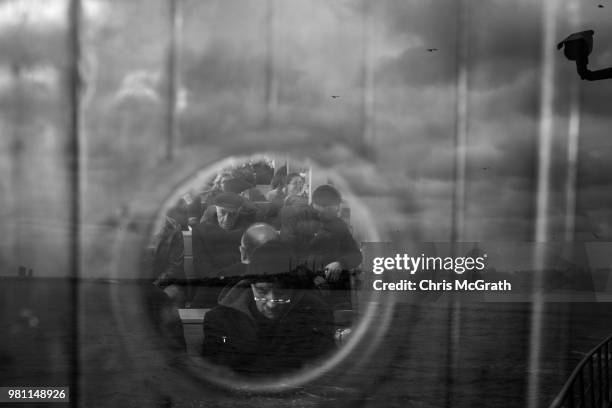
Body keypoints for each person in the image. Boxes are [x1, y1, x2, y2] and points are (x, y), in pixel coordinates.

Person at [201, 241, 335, 375]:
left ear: (293, 289)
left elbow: (323, 371)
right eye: (262, 291)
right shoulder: (221, 320)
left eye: (281, 292)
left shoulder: (316, 315)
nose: (272, 303)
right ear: (250, 285)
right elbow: (214, 375)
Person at [152, 205, 187, 306]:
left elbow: (175, 266)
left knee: (175, 294)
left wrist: (155, 286)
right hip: (138, 283)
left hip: (163, 283)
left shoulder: (174, 228)